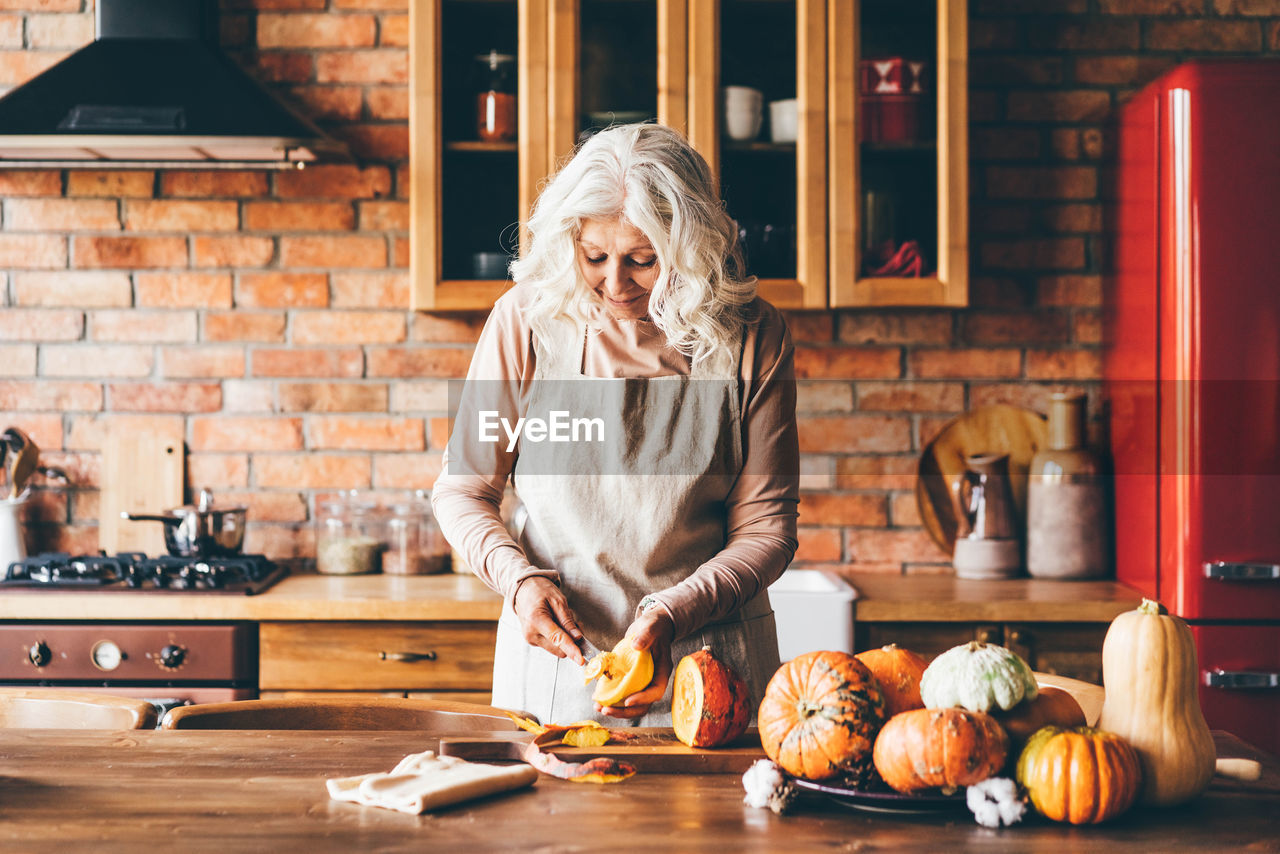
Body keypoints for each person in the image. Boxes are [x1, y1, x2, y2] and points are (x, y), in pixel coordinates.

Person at [431, 123, 798, 726]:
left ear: (691, 249)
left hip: (711, 668)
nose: (616, 283)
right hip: (559, 673)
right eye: (595, 256)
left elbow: (767, 530)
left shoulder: (754, 335)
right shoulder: (526, 321)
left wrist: (672, 613)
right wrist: (518, 581)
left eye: (644, 260)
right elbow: (464, 490)